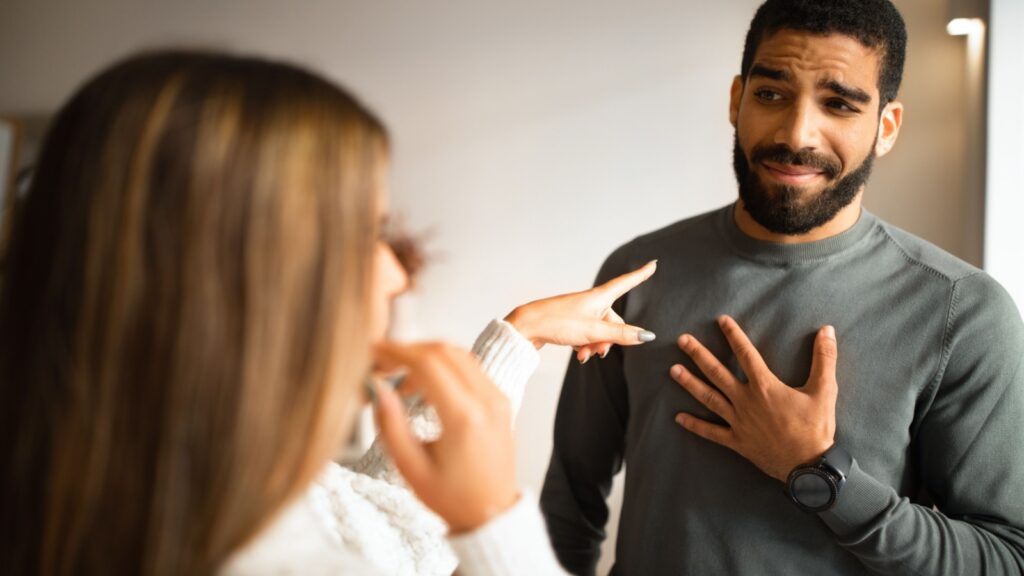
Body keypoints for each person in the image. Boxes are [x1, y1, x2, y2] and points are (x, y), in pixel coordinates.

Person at [0, 50, 658, 576]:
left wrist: (521, 335)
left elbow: (380, 530)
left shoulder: (163, 480)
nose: (396, 272)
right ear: (224, 277)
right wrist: (493, 523)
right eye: (362, 234)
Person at [539, 0, 1024, 574]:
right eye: (771, 95)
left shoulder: (960, 311)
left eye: (839, 104)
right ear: (735, 99)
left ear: (885, 127)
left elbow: (1006, 556)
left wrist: (818, 469)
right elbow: (567, 509)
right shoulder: (636, 272)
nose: (797, 133)